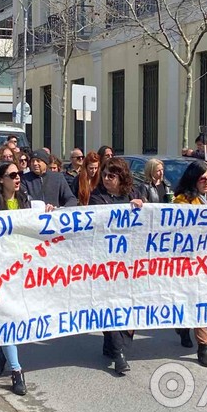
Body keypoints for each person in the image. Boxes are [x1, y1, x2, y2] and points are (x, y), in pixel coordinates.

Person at [0, 160, 38, 395]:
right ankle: (16, 370)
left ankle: (3, 356)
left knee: (19, 318)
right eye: (12, 174)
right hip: (0, 272)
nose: (18, 178)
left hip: (23, 269)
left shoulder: (27, 201)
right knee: (8, 319)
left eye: (19, 174)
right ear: (0, 179)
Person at [88, 157, 143, 375]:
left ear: (122, 177)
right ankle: (118, 352)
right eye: (104, 175)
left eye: (112, 175)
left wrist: (141, 207)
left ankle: (113, 344)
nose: (107, 178)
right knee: (109, 305)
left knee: (129, 306)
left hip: (131, 264)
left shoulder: (132, 195)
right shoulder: (97, 199)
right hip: (106, 264)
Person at [172, 161, 207, 368]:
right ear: (193, 179)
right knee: (189, 298)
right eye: (203, 178)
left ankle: (203, 347)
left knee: (203, 300)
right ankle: (184, 328)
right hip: (188, 260)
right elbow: (181, 225)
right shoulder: (182, 200)